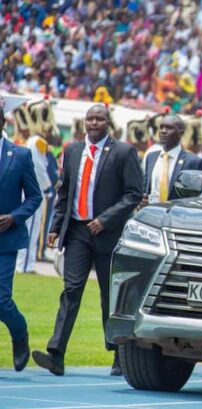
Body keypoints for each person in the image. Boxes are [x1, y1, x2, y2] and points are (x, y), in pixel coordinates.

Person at [32, 105, 143, 377]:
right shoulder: (72, 151)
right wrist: (56, 226)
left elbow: (133, 194)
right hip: (77, 232)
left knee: (109, 295)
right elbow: (65, 192)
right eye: (90, 119)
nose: (94, 123)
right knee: (71, 290)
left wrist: (105, 219)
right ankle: (56, 354)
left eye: (99, 119)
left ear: (108, 123)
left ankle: (118, 355)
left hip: (108, 233)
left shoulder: (123, 152)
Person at [0, 106, 42, 372]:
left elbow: (35, 196)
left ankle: (19, 333)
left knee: (1, 300)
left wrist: (14, 217)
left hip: (5, 239)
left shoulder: (21, 155)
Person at [141, 114, 202, 205]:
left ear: (181, 133)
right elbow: (146, 189)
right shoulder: (151, 157)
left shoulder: (193, 161)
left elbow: (195, 197)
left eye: (169, 128)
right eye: (161, 127)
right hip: (152, 211)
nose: (163, 131)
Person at [15, 134, 52, 274]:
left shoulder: (25, 140)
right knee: (31, 230)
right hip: (34, 190)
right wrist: (47, 187)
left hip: (23, 188)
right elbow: (39, 168)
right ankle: (25, 266)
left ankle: (22, 264)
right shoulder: (38, 142)